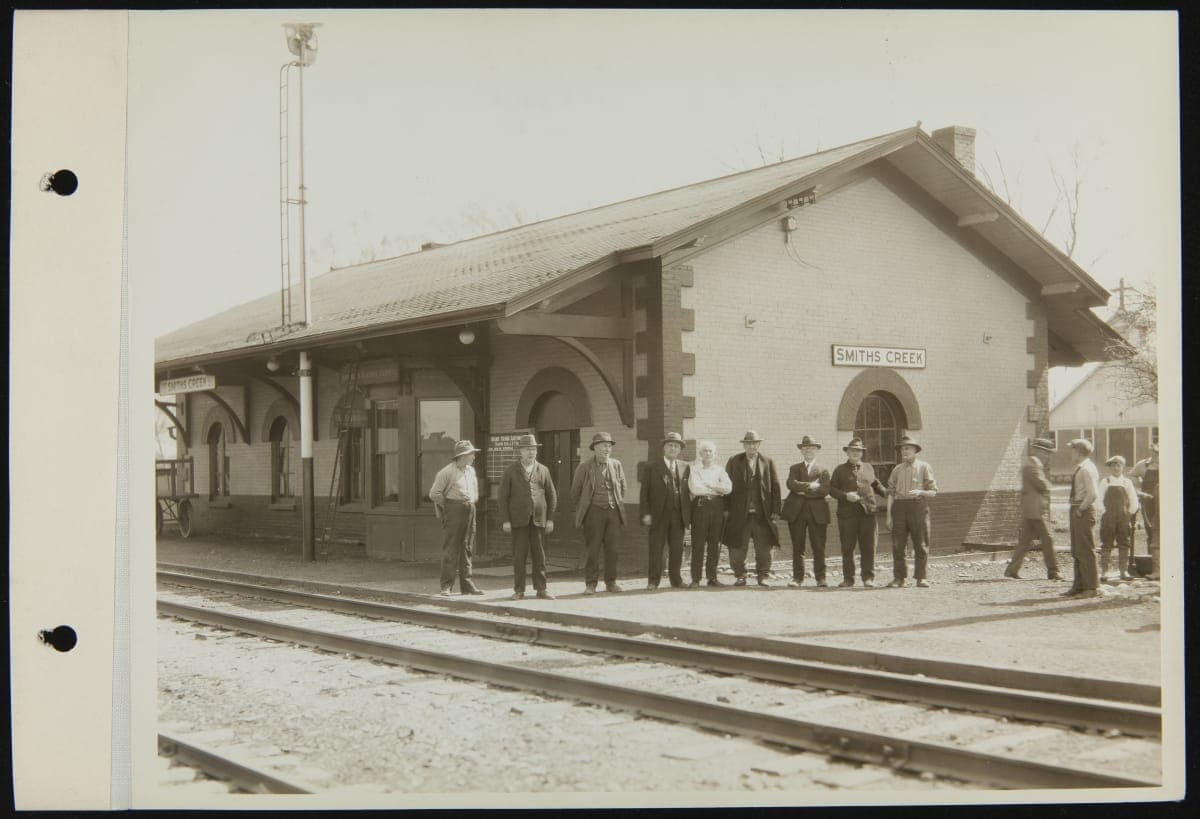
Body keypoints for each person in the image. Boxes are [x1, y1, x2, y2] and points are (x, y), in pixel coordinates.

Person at [498, 433, 558, 600]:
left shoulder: (543, 470)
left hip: (539, 520)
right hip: (518, 521)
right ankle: (519, 590)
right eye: (527, 449)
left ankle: (541, 589)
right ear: (520, 452)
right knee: (519, 556)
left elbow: (552, 495)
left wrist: (550, 519)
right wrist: (506, 520)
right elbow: (502, 498)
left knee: (540, 556)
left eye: (533, 449)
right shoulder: (510, 471)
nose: (531, 453)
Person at [570, 432, 627, 595]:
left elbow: (622, 487)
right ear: (594, 448)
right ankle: (591, 584)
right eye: (603, 446)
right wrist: (586, 509)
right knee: (592, 550)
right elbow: (575, 492)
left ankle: (611, 582)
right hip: (593, 513)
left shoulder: (616, 465)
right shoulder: (584, 467)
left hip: (613, 512)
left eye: (609, 446)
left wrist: (613, 503)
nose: (607, 449)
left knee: (613, 549)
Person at [723, 431, 782, 586]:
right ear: (744, 445)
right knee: (737, 547)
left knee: (764, 548)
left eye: (754, 443)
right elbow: (726, 486)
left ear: (758, 445)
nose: (751, 446)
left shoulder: (767, 462)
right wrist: (726, 509)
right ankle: (740, 575)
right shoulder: (734, 461)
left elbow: (775, 487)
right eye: (748, 443)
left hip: (762, 514)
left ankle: (763, 576)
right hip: (739, 514)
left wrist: (776, 510)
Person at [829, 438, 887, 588]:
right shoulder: (839, 470)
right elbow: (832, 489)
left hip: (868, 513)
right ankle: (849, 579)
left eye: (858, 451)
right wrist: (845, 496)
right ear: (847, 452)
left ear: (862, 453)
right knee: (848, 547)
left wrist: (887, 493)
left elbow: (875, 483)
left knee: (869, 546)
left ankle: (868, 578)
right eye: (852, 450)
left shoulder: (868, 467)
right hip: (847, 515)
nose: (855, 453)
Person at [429, 439, 485, 596]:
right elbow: (434, 494)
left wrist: (472, 502)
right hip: (454, 510)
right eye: (471, 454)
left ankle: (467, 585)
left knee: (467, 547)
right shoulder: (446, 472)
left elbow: (474, 490)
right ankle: (446, 586)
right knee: (451, 548)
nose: (473, 457)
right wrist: (448, 507)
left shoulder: (470, 471)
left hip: (470, 509)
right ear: (462, 456)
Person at [1004, 438, 1062, 581]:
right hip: (1036, 510)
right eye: (1047, 452)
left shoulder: (1031, 463)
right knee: (1048, 539)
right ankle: (1053, 572)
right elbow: (1042, 485)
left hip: (1031, 508)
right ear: (1039, 450)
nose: (1048, 456)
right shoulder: (1034, 463)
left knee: (1025, 542)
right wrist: (1048, 485)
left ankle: (1012, 569)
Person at [885, 434, 938, 588]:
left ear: (915, 451)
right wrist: (889, 516)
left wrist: (920, 492)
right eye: (902, 449)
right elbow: (891, 493)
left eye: (908, 448)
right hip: (899, 508)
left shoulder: (924, 467)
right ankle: (899, 578)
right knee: (898, 545)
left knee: (921, 543)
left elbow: (934, 492)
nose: (904, 451)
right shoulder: (896, 469)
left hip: (918, 507)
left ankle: (921, 578)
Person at [640, 432, 692, 589]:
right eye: (670, 445)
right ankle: (653, 581)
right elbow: (644, 493)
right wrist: (646, 513)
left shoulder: (685, 467)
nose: (673, 448)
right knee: (656, 548)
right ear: (664, 447)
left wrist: (688, 516)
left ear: (680, 450)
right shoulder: (651, 467)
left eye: (676, 446)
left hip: (678, 515)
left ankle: (676, 580)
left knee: (677, 549)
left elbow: (688, 492)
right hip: (658, 515)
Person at [781, 435, 831, 588]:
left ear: (817, 450)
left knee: (819, 546)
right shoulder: (794, 468)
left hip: (818, 513)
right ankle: (797, 578)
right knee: (798, 546)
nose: (809, 450)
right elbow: (791, 484)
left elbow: (824, 490)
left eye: (812, 448)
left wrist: (802, 490)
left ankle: (821, 578)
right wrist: (811, 486)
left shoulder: (823, 470)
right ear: (801, 450)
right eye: (806, 448)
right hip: (797, 512)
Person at [687, 439, 732, 587]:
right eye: (705, 451)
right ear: (700, 454)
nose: (707, 453)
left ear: (715, 454)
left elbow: (728, 488)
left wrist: (710, 485)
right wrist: (717, 489)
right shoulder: (694, 469)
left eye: (710, 451)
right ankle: (695, 579)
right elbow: (695, 488)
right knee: (698, 544)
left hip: (717, 508)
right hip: (700, 507)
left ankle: (712, 578)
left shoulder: (720, 470)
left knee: (714, 544)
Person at [1064, 438, 1102, 598]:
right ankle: (1079, 585)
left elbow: (1093, 494)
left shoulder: (1086, 469)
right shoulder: (1082, 467)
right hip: (1077, 509)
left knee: (1085, 549)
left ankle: (1091, 587)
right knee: (1077, 548)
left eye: (1072, 450)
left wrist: (1080, 509)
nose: (1071, 453)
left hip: (1083, 510)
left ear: (1078, 452)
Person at [1097, 455, 1139, 582]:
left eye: (1118, 465)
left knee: (1124, 543)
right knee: (1106, 543)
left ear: (1123, 467)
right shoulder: (1106, 481)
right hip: (1108, 517)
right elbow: (1098, 499)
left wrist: (1129, 514)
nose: (1116, 468)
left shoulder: (1127, 482)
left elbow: (1133, 500)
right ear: (1110, 468)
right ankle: (1105, 571)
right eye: (1113, 465)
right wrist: (1104, 511)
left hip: (1123, 517)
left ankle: (1123, 570)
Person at [1130, 443, 1160, 580]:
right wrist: (1139, 490)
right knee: (1150, 530)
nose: (1155, 454)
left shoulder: (1169, 461)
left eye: (1157, 451)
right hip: (1148, 501)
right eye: (1153, 451)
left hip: (1164, 500)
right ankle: (1152, 565)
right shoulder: (1143, 464)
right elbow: (1132, 476)